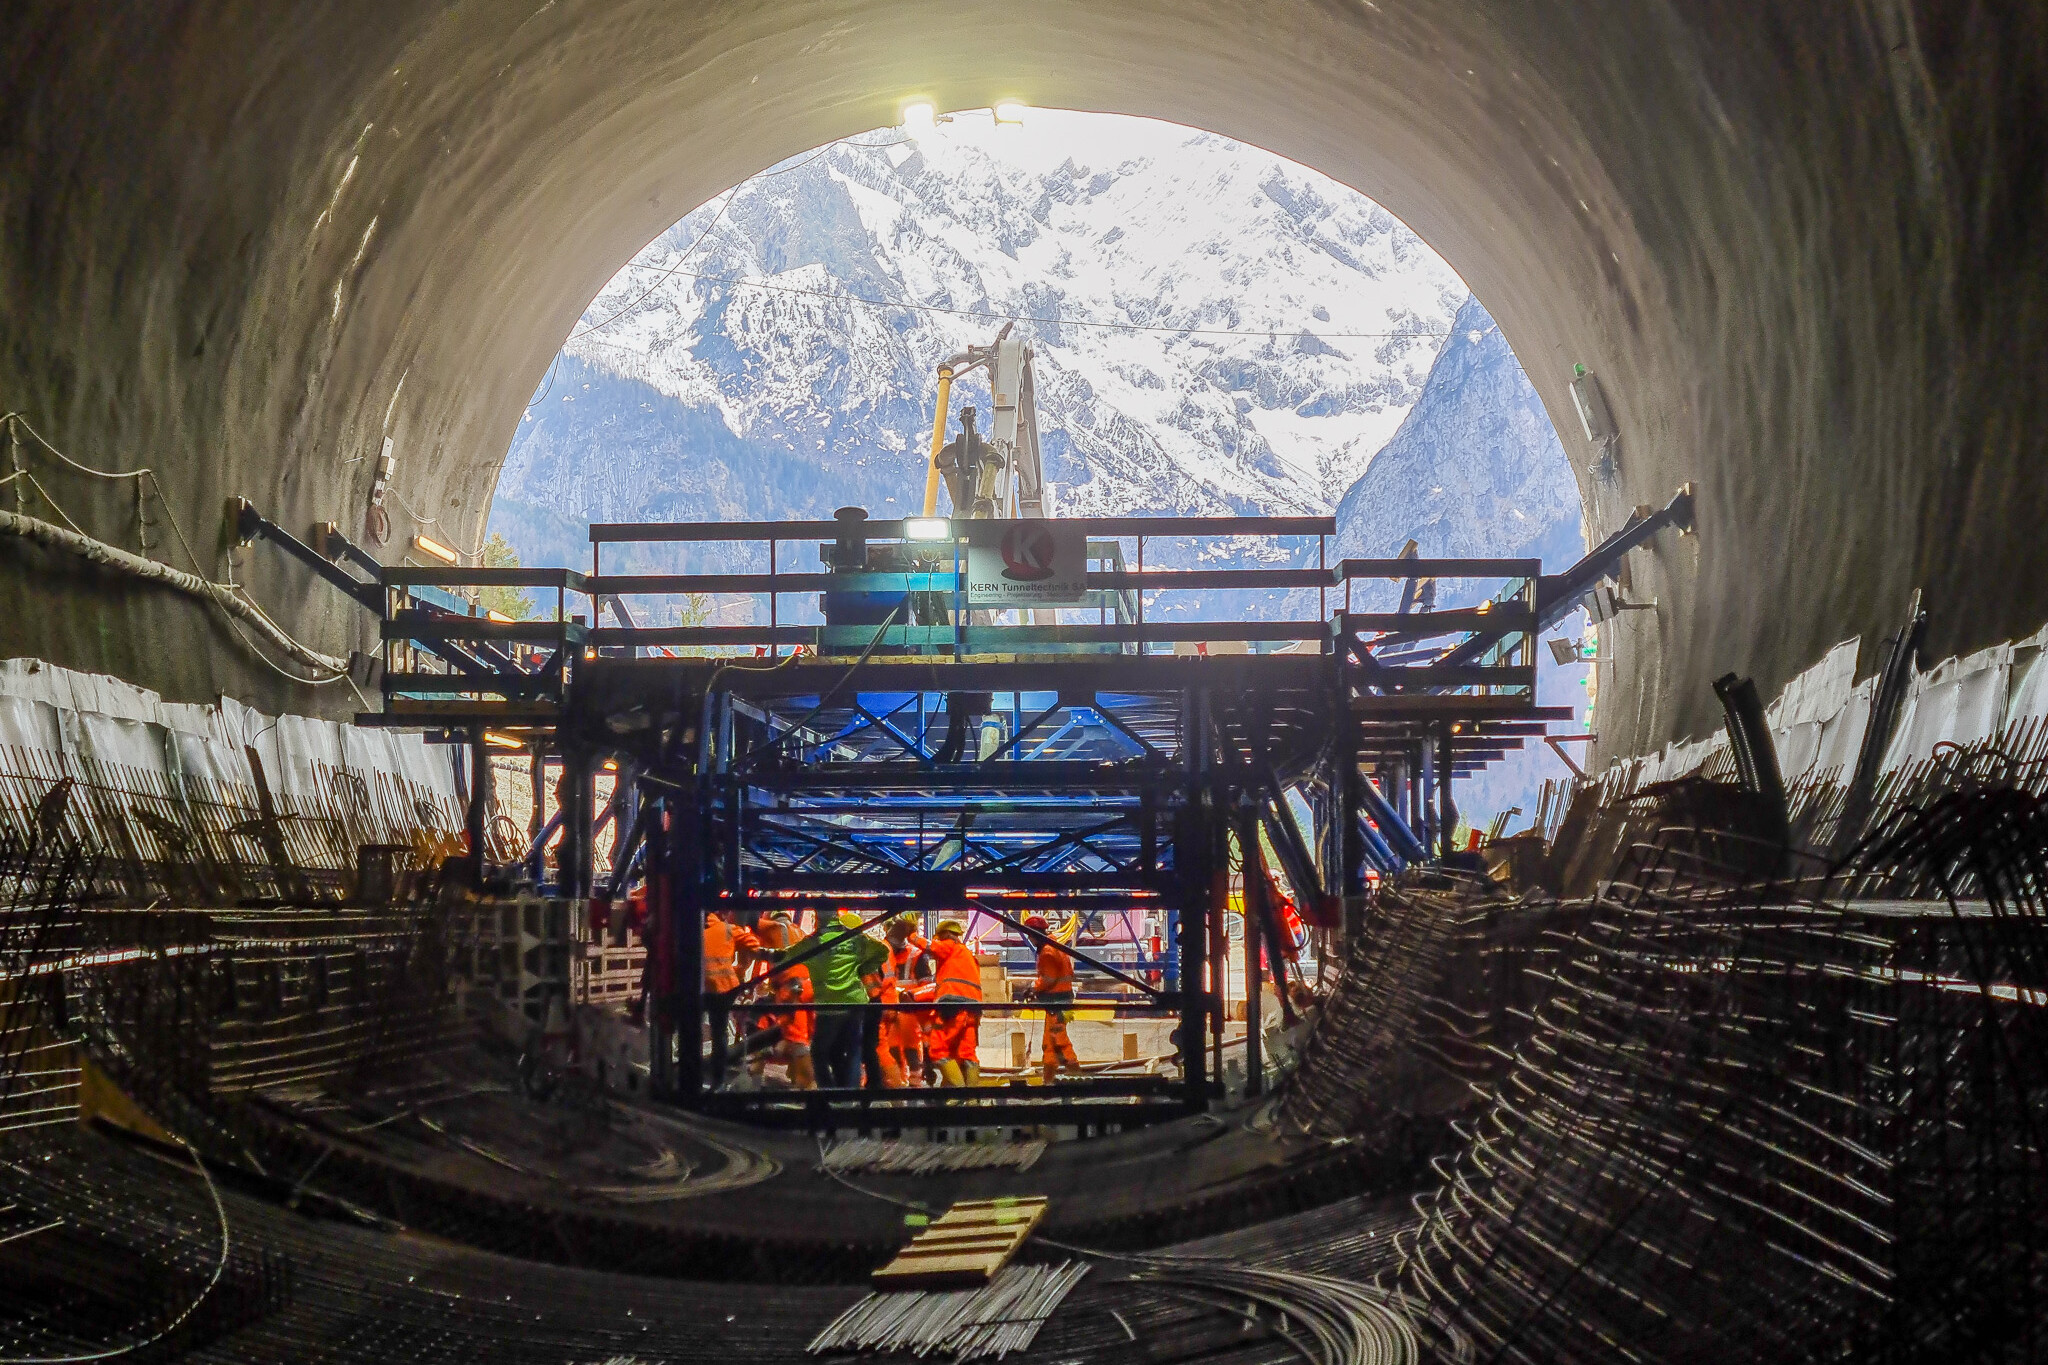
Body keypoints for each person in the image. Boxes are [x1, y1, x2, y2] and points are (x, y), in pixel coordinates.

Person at [775, 907, 887, 1088]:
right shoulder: (856, 943)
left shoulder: (816, 943)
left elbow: (787, 957)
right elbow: (881, 953)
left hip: (837, 1004)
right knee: (853, 1050)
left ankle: (832, 1091)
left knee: (824, 1052)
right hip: (861, 1003)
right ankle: (850, 1091)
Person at [909, 918, 982, 1087]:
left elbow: (930, 947)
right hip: (973, 1009)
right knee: (967, 1052)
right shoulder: (967, 955)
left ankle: (958, 1093)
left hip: (953, 1005)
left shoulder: (950, 946)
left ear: (947, 935)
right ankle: (972, 1097)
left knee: (938, 1048)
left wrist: (911, 935)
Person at [1021, 914, 1079, 1084]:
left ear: (1033, 934)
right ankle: (1048, 1081)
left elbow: (1048, 978)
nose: (1030, 940)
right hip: (1060, 1002)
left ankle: (1077, 1075)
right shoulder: (1055, 945)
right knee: (1049, 1045)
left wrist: (1033, 988)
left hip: (1057, 1003)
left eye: (1030, 936)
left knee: (1059, 1040)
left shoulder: (1047, 951)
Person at [703, 907, 759, 995]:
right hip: (728, 989)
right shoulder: (728, 929)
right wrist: (741, 969)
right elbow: (754, 945)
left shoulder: (688, 934)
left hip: (702, 992)